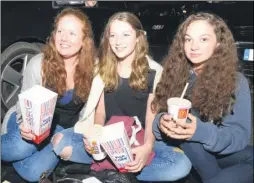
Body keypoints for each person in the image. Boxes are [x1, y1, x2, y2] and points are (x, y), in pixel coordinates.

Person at [78, 11, 192, 182]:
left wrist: (147, 147)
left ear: (138, 37)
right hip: (108, 138)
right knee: (61, 142)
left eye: (125, 34)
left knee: (180, 165)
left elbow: (150, 117)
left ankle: (113, 171)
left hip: (138, 138)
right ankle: (123, 172)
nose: (118, 42)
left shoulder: (154, 72)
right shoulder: (101, 69)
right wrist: (96, 135)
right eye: (113, 35)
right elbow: (99, 113)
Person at [152, 12, 253, 183]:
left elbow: (238, 137)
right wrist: (161, 122)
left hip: (214, 149)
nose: (194, 46)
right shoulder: (173, 75)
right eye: (188, 39)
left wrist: (200, 132)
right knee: (189, 138)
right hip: (179, 153)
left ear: (219, 44)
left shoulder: (234, 81)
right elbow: (154, 120)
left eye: (203, 39)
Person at [1, 7, 96, 182]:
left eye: (72, 33)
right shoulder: (39, 65)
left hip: (62, 129)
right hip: (30, 122)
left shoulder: (93, 69)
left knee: (33, 173)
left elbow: (89, 113)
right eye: (60, 31)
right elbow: (24, 103)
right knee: (17, 148)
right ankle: (13, 135)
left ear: (84, 40)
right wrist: (24, 125)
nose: (64, 38)